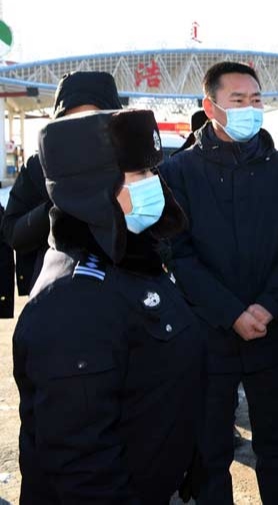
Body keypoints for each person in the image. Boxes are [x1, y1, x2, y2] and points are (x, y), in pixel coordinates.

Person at [13, 108, 203, 503]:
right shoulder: (73, 301)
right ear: (90, 188)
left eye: (153, 171)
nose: (153, 184)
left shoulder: (136, 257)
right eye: (139, 174)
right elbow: (81, 464)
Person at [160, 61, 278, 505]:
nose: (250, 108)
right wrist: (230, 313)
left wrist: (268, 306)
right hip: (210, 336)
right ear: (211, 107)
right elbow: (177, 252)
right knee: (210, 452)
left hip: (272, 332)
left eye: (256, 99)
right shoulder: (178, 172)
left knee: (277, 447)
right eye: (238, 100)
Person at [2, 71, 122, 295]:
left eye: (94, 119)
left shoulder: (130, 162)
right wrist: (56, 204)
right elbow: (13, 233)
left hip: (122, 291)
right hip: (54, 292)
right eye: (72, 122)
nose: (83, 130)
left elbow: (162, 232)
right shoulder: (39, 166)